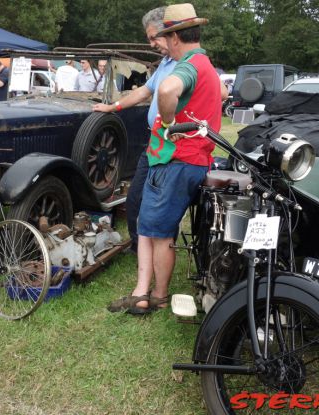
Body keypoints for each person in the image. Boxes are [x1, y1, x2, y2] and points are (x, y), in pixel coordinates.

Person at [108, 3, 222, 314]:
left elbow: (168, 89)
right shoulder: (205, 64)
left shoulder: (188, 64)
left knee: (158, 235)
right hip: (182, 161)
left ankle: (156, 295)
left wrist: (169, 122)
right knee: (148, 228)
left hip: (176, 160)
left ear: (173, 37)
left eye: (162, 38)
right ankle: (142, 290)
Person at [93, 6, 177, 255]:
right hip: (154, 142)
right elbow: (143, 91)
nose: (151, 43)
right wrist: (112, 106)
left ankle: (160, 247)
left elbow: (220, 92)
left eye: (154, 37)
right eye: (149, 38)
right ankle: (137, 246)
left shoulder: (189, 64)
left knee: (162, 204)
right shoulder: (166, 63)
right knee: (134, 198)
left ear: (172, 33)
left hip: (173, 145)